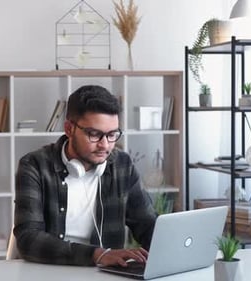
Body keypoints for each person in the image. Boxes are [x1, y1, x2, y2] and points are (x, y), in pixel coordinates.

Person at [14, 85, 157, 267]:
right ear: (69, 129)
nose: (105, 145)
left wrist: (174, 248)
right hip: (49, 271)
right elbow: (29, 239)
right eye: (94, 134)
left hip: (106, 275)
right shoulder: (34, 165)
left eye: (112, 134)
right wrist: (97, 254)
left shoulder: (122, 165)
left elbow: (147, 224)